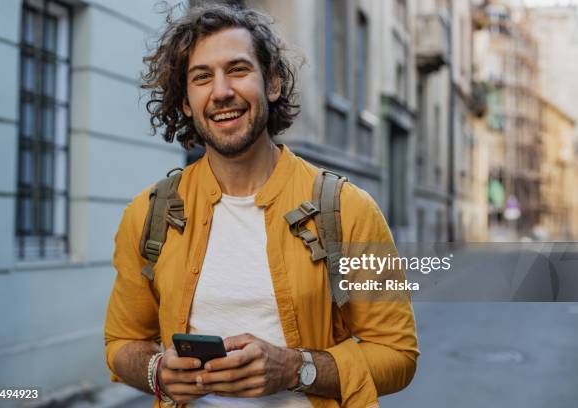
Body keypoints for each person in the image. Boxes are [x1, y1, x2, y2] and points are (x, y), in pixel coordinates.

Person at [104, 4, 418, 407]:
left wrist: (296, 368)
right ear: (185, 102)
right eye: (202, 77)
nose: (221, 92)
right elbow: (121, 343)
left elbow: (399, 355)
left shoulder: (350, 209)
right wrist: (156, 371)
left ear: (271, 84)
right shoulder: (148, 214)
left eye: (237, 70)